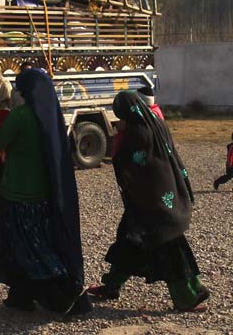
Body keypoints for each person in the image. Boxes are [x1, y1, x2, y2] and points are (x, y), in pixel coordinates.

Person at [0, 69, 92, 315]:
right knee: (27, 245)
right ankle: (20, 296)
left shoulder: (20, 116)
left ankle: (71, 296)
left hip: (19, 194)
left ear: (25, 92)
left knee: (33, 248)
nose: (15, 92)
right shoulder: (50, 115)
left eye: (18, 87)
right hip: (43, 195)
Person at [88, 91, 209, 312]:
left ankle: (189, 295)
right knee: (128, 239)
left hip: (154, 205)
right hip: (157, 199)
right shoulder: (155, 122)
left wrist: (120, 140)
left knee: (172, 249)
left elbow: (126, 164)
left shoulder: (137, 133)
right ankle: (111, 285)